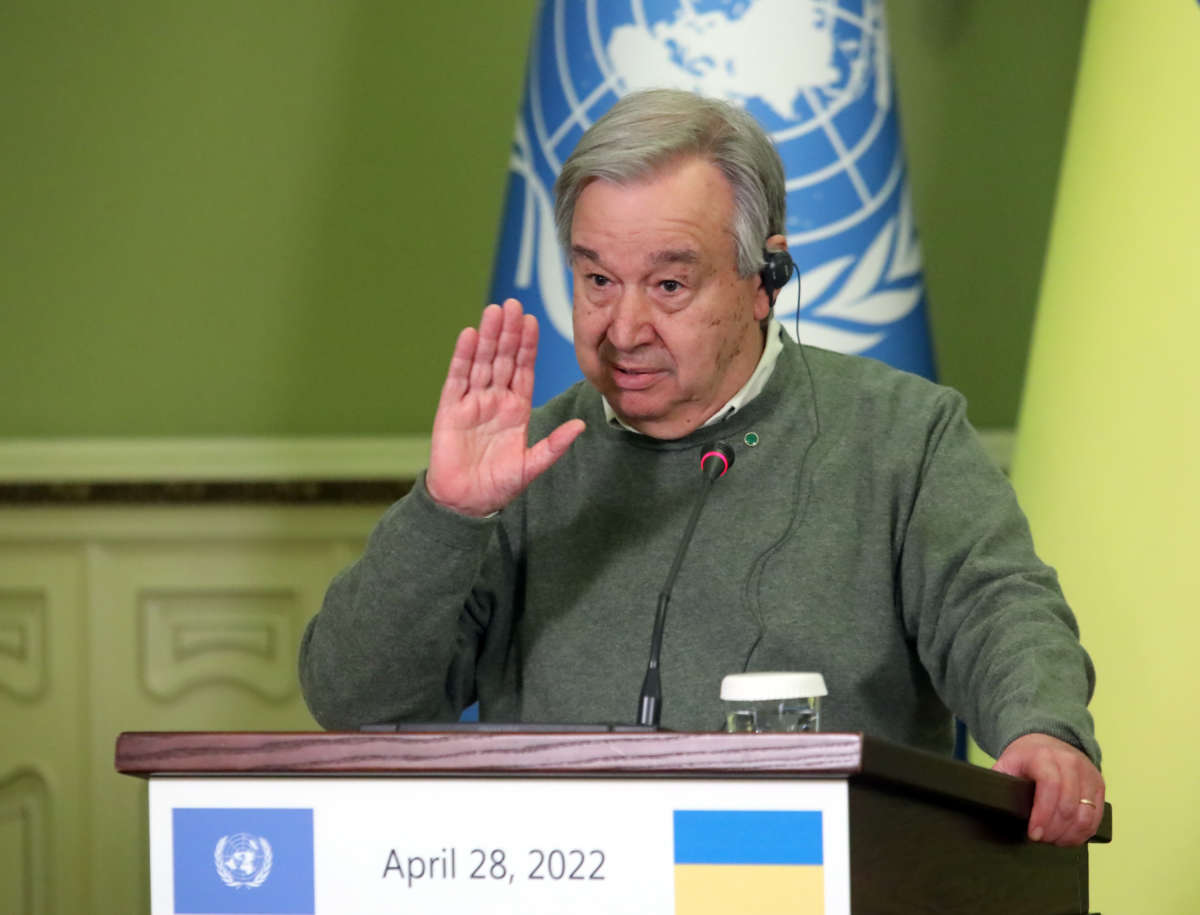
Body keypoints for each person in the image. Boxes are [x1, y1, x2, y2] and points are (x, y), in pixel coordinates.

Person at [299, 89, 1104, 846]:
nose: (624, 327)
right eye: (598, 281)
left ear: (764, 280)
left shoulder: (901, 435)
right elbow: (354, 701)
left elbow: (998, 609)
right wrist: (449, 513)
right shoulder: (525, 464)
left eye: (670, 283)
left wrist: (1041, 727)